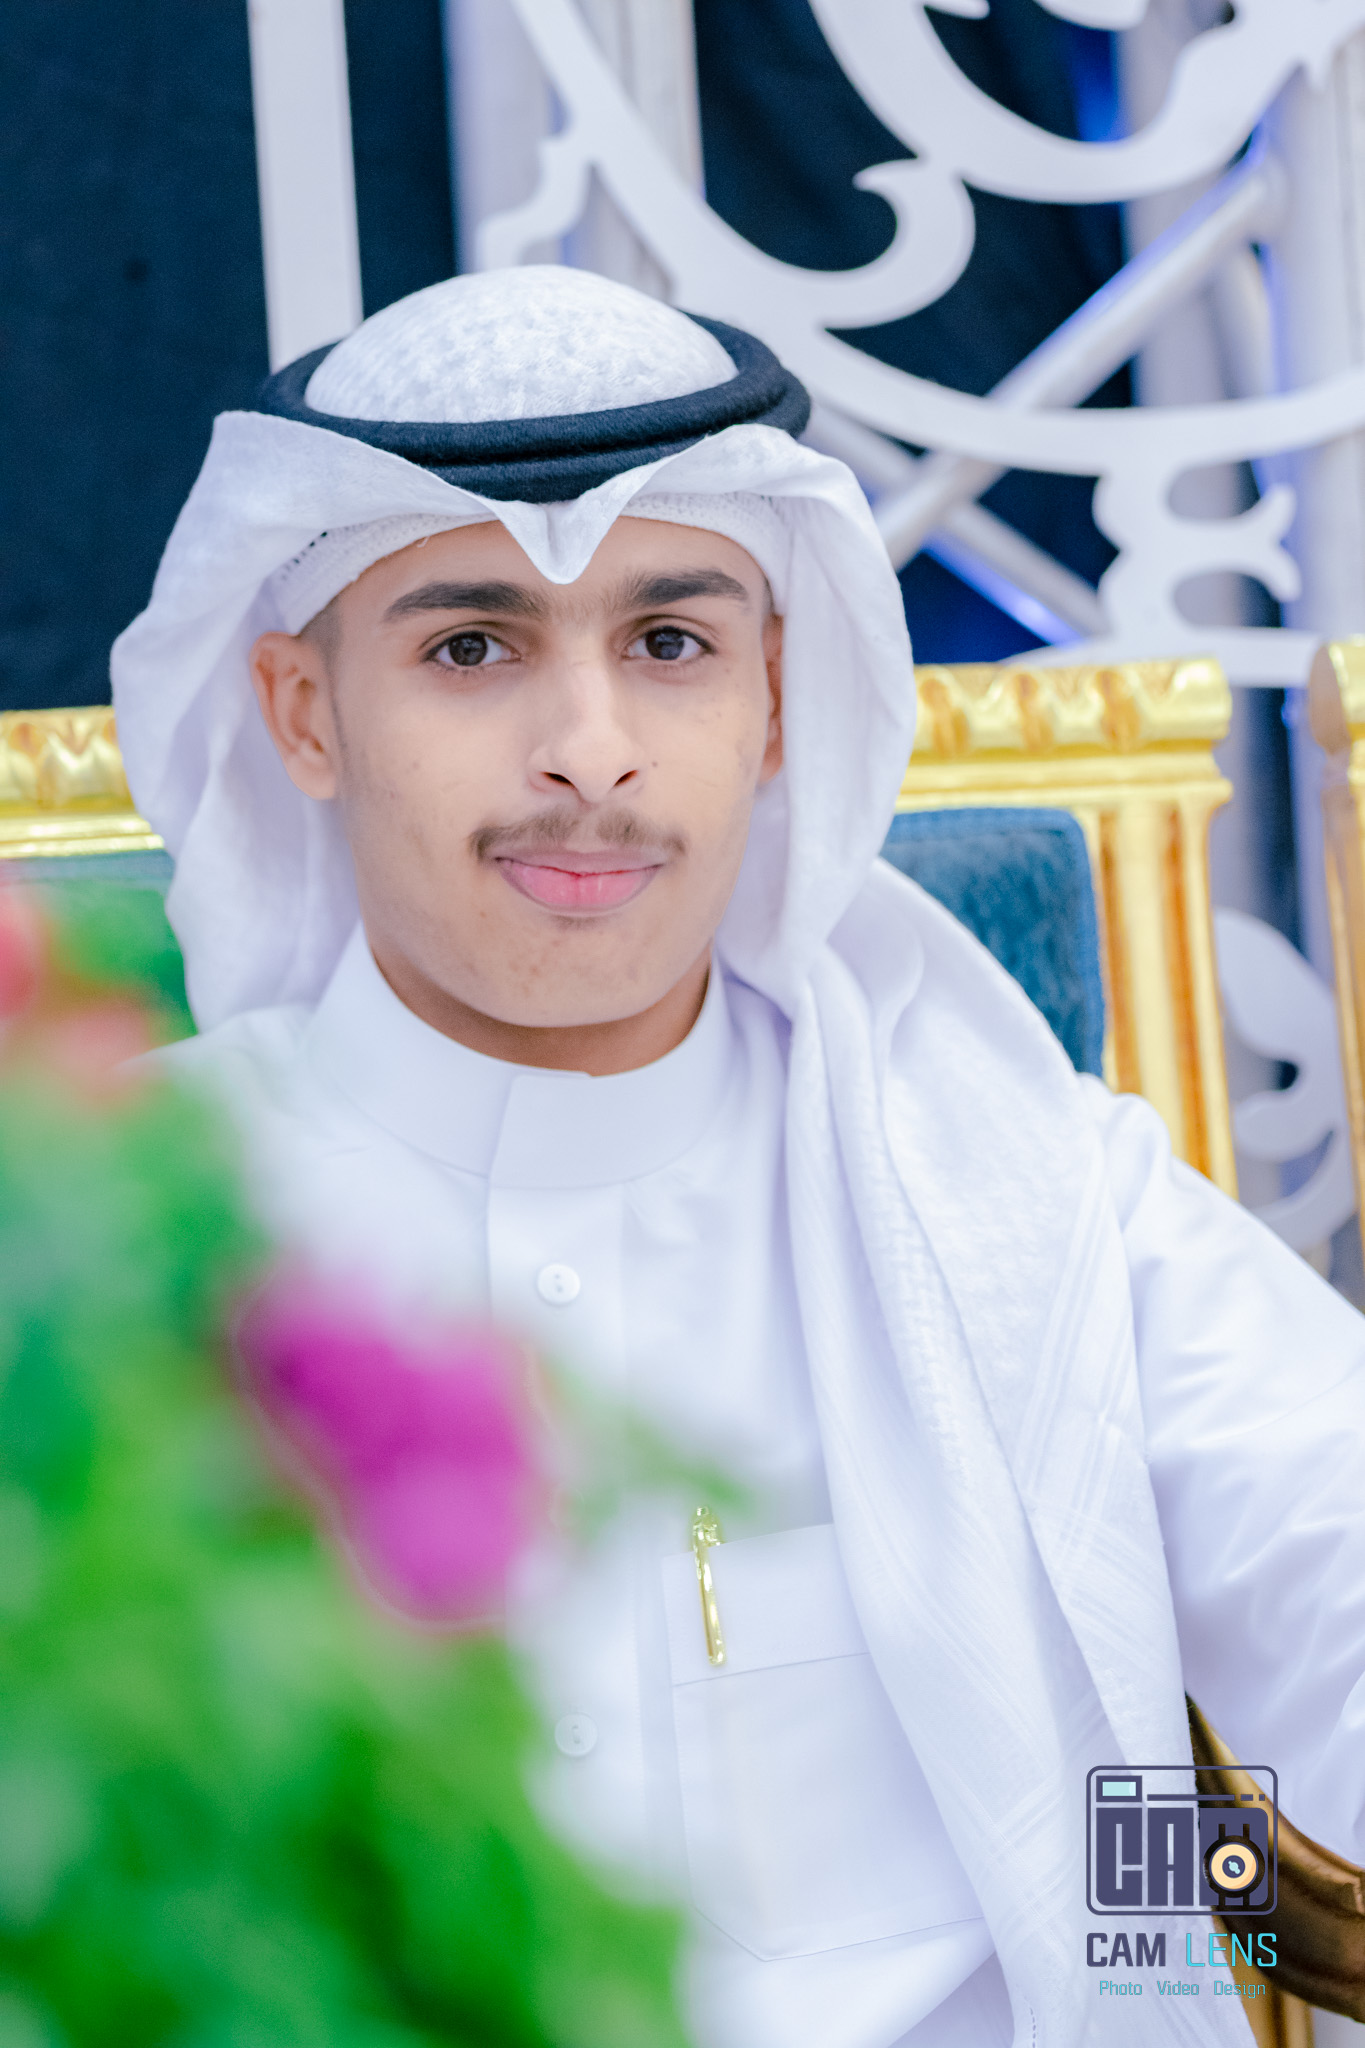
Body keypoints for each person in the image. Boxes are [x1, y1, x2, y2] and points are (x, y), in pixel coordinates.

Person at [113, 265, 1365, 2048]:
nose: (589, 755)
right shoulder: (115, 1234)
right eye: (471, 649)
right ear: (304, 714)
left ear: (773, 700)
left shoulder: (1022, 1199)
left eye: (668, 644)